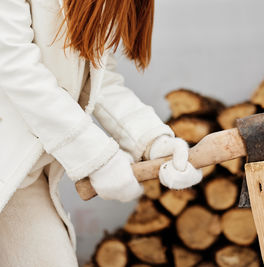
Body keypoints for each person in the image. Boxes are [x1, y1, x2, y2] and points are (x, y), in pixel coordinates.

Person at [0, 0, 202, 265]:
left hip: (20, 179)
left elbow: (100, 78)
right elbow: (14, 66)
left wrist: (153, 141)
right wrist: (96, 157)